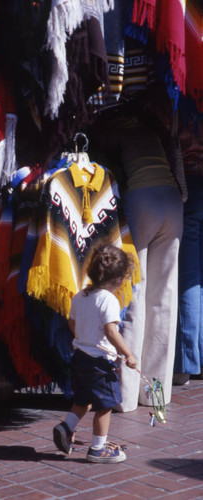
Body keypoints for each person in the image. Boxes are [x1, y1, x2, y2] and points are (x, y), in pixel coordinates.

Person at [88, 87, 184, 412]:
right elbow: (178, 171)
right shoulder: (153, 129)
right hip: (172, 202)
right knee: (165, 298)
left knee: (133, 292)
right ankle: (157, 393)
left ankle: (126, 396)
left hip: (141, 201)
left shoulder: (108, 130)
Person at [53, 244, 137, 463]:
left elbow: (72, 322)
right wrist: (128, 354)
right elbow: (111, 331)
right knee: (105, 405)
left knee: (82, 400)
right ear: (120, 278)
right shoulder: (109, 300)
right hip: (100, 363)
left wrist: (84, 337)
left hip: (80, 357)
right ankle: (98, 449)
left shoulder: (81, 296)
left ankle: (66, 426)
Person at [174, 119, 203, 384]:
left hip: (191, 179)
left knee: (189, 274)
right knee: (196, 278)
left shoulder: (184, 92)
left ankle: (186, 361)